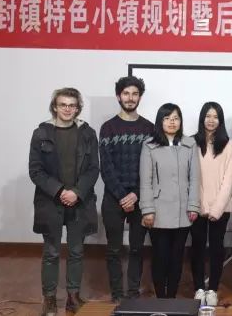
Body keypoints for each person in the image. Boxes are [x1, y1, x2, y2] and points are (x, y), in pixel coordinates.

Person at [29, 87, 99, 316]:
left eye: (72, 105)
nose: (67, 109)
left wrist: (76, 192)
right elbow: (35, 171)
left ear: (77, 108)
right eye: (63, 105)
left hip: (80, 202)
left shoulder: (88, 133)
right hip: (51, 202)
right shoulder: (41, 133)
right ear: (55, 107)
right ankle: (49, 299)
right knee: (51, 252)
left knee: (76, 251)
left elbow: (93, 169)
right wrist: (60, 191)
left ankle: (73, 296)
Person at [99, 76, 154, 303]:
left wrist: (136, 194)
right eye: (126, 93)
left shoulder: (149, 128)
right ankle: (116, 294)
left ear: (140, 97)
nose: (130, 98)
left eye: (134, 94)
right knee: (113, 249)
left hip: (141, 197)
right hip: (114, 198)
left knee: (136, 248)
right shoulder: (108, 128)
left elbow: (152, 167)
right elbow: (106, 167)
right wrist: (123, 195)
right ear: (118, 96)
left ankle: (132, 293)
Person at [139, 103, 201, 298]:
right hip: (158, 211)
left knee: (177, 257)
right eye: (167, 118)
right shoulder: (149, 145)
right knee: (160, 257)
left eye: (175, 118)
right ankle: (161, 298)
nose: (172, 122)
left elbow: (195, 178)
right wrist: (147, 209)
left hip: (183, 211)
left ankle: (172, 297)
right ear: (160, 121)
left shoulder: (190, 144)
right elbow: (145, 180)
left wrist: (193, 206)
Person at [190, 102, 232, 306]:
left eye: (215, 116)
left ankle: (213, 289)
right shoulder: (191, 143)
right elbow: (191, 177)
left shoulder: (229, 144)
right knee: (197, 247)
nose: (211, 120)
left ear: (220, 120)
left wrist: (216, 208)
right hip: (196, 206)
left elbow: (228, 180)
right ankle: (199, 288)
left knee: (217, 248)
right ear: (202, 118)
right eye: (208, 116)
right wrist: (199, 205)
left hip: (221, 207)